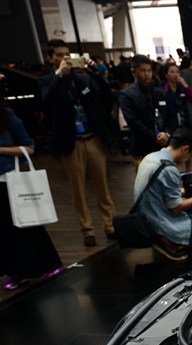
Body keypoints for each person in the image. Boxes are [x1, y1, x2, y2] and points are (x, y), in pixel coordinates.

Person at [38, 39, 117, 246]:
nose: (65, 58)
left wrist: (96, 74)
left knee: (102, 186)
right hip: (71, 142)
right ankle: (87, 230)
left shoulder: (82, 78)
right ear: (50, 58)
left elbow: (106, 100)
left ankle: (110, 225)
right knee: (78, 190)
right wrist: (59, 75)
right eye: (59, 55)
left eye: (67, 54)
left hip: (93, 138)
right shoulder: (47, 81)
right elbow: (47, 102)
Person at [134, 127, 192, 261]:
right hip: (160, 220)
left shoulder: (150, 157)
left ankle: (169, 236)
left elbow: (159, 190)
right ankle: (170, 240)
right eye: (190, 155)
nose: (188, 159)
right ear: (185, 149)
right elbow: (176, 207)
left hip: (146, 216)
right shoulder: (169, 169)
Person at [0, 104, 64, 290]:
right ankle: (15, 272)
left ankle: (50, 265)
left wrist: (1, 150)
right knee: (3, 232)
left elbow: (29, 148)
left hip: (9, 180)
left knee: (26, 225)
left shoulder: (7, 116)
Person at [118, 54, 171, 166]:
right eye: (142, 70)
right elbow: (133, 122)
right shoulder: (126, 95)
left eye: (149, 70)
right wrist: (155, 137)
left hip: (164, 146)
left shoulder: (159, 92)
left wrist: (167, 133)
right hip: (142, 148)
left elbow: (169, 115)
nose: (147, 74)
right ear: (133, 72)